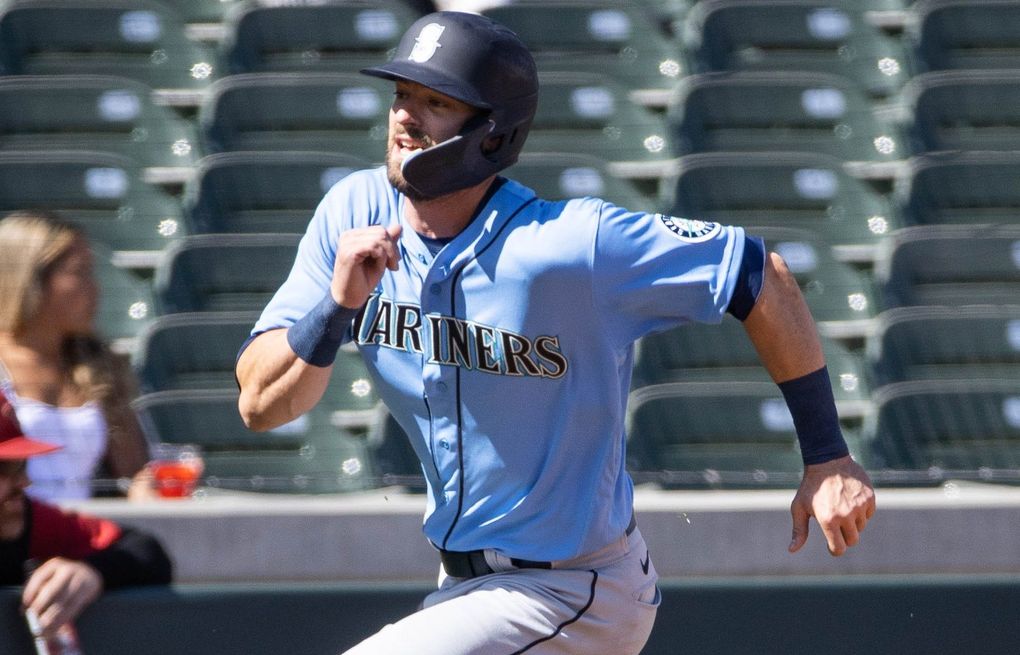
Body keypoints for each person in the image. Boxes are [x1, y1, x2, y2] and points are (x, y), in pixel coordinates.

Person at [235, 11, 876, 654]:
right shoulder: (353, 212)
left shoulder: (571, 245)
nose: (406, 116)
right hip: (464, 588)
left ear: (491, 132)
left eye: (436, 101)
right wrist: (337, 306)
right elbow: (262, 405)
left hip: (573, 590)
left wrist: (826, 455)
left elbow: (758, 273)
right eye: (402, 94)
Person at [0, 210, 151, 501]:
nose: (94, 289)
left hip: (86, 535)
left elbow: (135, 472)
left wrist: (147, 488)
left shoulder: (100, 365)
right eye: (79, 272)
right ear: (29, 278)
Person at [0, 390, 173, 644]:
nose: (23, 482)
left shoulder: (30, 520)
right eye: (6, 468)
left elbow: (145, 551)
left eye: (22, 465)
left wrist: (91, 571)